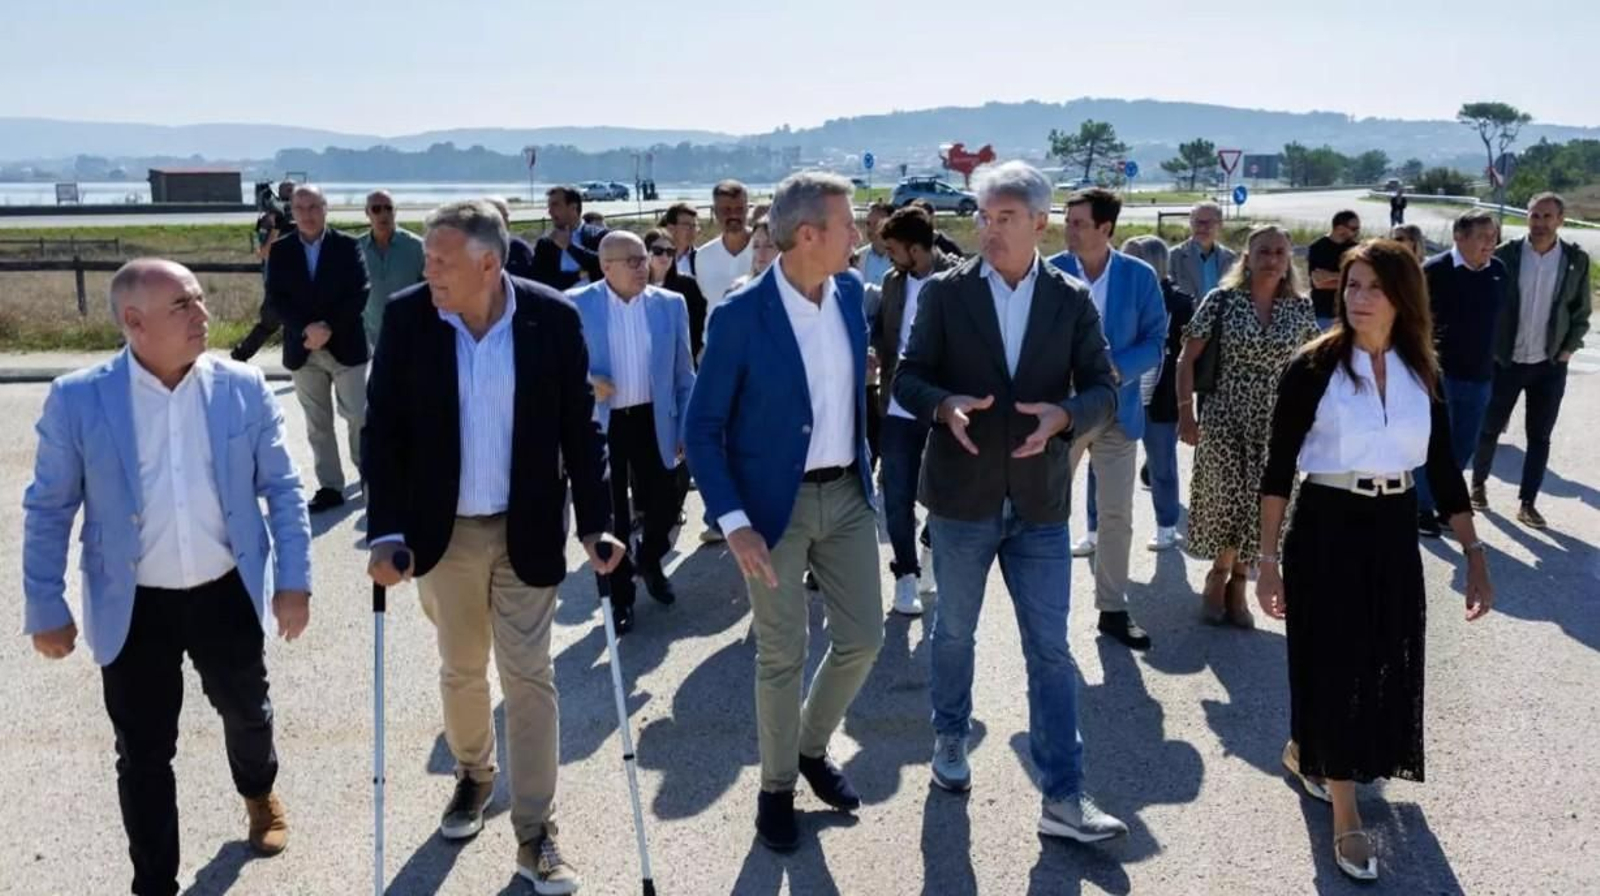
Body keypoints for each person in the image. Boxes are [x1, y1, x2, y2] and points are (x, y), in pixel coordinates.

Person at [23, 259, 311, 896]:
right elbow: (48, 507)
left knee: (248, 712)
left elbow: (283, 490)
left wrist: (294, 579)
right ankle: (154, 883)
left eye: (200, 300)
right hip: (135, 603)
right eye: (183, 306)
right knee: (143, 751)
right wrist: (44, 600)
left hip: (224, 590)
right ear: (134, 321)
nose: (202, 315)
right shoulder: (80, 399)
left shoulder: (241, 386)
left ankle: (259, 791)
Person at [364, 200, 623, 894]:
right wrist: (386, 530)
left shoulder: (551, 319)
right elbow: (382, 432)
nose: (428, 271)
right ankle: (476, 773)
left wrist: (597, 522)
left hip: (526, 529)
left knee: (529, 677)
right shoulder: (409, 318)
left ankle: (536, 833)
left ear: (488, 263)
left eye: (440, 261)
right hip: (440, 533)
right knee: (461, 668)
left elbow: (581, 430)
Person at [893, 161, 1128, 842]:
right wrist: (943, 407)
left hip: (1039, 504)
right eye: (982, 216)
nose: (987, 229)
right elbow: (907, 377)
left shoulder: (1071, 298)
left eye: (1004, 218)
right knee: (955, 634)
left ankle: (1064, 795)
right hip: (962, 501)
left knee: (1051, 651)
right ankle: (949, 739)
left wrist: (1066, 416)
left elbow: (1104, 388)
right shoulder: (943, 294)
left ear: (1039, 224)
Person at [1256, 239, 1493, 883]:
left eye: (1373, 288)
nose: (1357, 299)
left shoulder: (1424, 372)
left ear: (1402, 298)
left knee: (1382, 656)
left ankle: (1310, 747)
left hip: (1392, 528)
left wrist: (1474, 551)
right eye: (1351, 286)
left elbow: (1443, 472)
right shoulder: (1313, 368)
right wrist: (1267, 558)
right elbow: (1278, 468)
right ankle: (1346, 814)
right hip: (1327, 525)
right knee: (1334, 659)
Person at [684, 172, 882, 853]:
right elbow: (702, 427)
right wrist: (733, 522)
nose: (859, 234)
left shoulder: (852, 293)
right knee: (782, 654)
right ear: (808, 235)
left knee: (863, 639)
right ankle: (776, 788)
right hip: (774, 507)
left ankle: (808, 746)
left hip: (848, 495)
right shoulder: (740, 316)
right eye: (848, 224)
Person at [1174, 225, 1319, 627]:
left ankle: (1239, 583)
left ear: (1289, 259)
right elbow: (1187, 359)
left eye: (1279, 252)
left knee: (1263, 507)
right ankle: (1217, 578)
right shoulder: (1222, 300)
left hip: (1277, 422)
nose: (1271, 259)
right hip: (1224, 417)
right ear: (1247, 258)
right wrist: (1187, 413)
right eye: (1263, 251)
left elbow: (1316, 363)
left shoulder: (1300, 308)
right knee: (1225, 501)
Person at [1046, 187, 1168, 651]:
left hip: (1119, 411)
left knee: (1117, 515)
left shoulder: (1139, 276)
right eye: (1068, 221)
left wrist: (1115, 370)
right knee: (1050, 514)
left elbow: (1156, 338)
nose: (1068, 229)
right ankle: (1049, 609)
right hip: (1065, 413)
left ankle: (1112, 609)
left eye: (1078, 222)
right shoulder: (1049, 273)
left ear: (1105, 228)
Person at [568, 231, 696, 634]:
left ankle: (651, 557)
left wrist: (684, 426)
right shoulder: (575, 305)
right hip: (601, 423)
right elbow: (555, 371)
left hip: (653, 418)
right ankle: (620, 597)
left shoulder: (671, 305)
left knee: (665, 502)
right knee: (611, 516)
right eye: (634, 261)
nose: (646, 267)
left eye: (646, 259)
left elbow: (684, 373)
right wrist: (588, 382)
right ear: (606, 267)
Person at [1470, 192, 1592, 530]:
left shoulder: (1574, 260)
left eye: (1547, 217)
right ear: (1526, 218)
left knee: (1539, 436)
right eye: (1535, 216)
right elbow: (1485, 303)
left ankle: (1528, 503)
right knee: (1490, 427)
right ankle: (1478, 485)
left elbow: (1581, 312)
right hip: (1506, 361)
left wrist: (1567, 349)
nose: (1540, 223)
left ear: (1560, 220)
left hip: (1549, 364)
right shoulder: (1505, 254)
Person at [872, 206, 958, 616]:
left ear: (915, 248)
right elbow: (883, 332)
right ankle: (905, 574)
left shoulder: (961, 281)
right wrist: (873, 351)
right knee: (896, 495)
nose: (888, 256)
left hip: (943, 407)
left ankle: (929, 551)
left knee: (943, 496)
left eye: (893, 248)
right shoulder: (893, 282)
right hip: (897, 406)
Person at [265, 184, 370, 514]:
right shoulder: (280, 251)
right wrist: (306, 329)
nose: (307, 214)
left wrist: (328, 328)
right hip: (303, 348)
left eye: (313, 207)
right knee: (317, 422)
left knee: (358, 415)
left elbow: (360, 291)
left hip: (345, 345)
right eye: (300, 208)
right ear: (291, 212)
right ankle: (330, 486)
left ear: (326, 208)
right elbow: (276, 300)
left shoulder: (347, 246)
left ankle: (370, 477)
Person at [1413, 209, 1506, 537]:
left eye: (1493, 236)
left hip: (1480, 375)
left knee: (1463, 445)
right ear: (1459, 237)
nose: (1490, 243)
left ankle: (1444, 505)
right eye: (1482, 236)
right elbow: (1414, 321)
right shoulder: (1433, 272)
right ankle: (1420, 508)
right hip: (1440, 374)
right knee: (1433, 443)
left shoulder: (1498, 271)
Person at [1119, 235, 1194, 551]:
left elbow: (1186, 354)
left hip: (1159, 396)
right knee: (1103, 468)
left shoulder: (1179, 302)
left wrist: (1185, 401)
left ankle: (1166, 526)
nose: (1126, 264)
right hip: (1121, 394)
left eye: (1134, 258)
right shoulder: (1117, 297)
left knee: (1162, 466)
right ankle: (1095, 530)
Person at [358, 189, 426, 349]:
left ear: (396, 211)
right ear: (367, 213)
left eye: (388, 208)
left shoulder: (417, 247)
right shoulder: (356, 248)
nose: (383, 214)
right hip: (368, 339)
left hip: (411, 336)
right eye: (376, 209)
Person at [231, 189, 293, 362]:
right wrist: (277, 228)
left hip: (302, 281)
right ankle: (240, 355)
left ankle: (297, 362)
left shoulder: (302, 217)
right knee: (269, 323)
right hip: (277, 281)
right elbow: (264, 253)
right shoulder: (267, 220)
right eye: (286, 192)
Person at [643, 227, 710, 361]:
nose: (665, 256)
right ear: (645, 252)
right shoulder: (635, 287)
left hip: (681, 360)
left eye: (670, 252)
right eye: (658, 251)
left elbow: (698, 325)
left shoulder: (688, 286)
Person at [529, 186, 607, 290]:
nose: (550, 212)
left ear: (573, 208)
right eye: (549, 206)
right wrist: (577, 276)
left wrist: (570, 247)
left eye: (555, 205)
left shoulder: (598, 236)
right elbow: (540, 283)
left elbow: (604, 267)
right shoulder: (545, 244)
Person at [694, 179, 755, 310]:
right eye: (726, 210)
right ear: (715, 211)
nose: (733, 215)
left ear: (747, 209)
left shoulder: (768, 250)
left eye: (739, 209)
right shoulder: (703, 256)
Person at [1169, 200, 1236, 301]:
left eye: (1208, 222)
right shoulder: (1173, 257)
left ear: (1220, 224)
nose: (1202, 227)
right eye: (1197, 222)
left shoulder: (1231, 259)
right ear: (1190, 223)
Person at [1307, 210, 1362, 330]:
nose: (1357, 232)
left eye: (1358, 229)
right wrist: (1347, 279)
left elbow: (1361, 280)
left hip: (1349, 312)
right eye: (1354, 228)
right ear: (1340, 228)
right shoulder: (1318, 247)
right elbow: (1318, 283)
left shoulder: (1356, 249)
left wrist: (1330, 276)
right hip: (1323, 312)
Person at [486, 195, 539, 281]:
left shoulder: (519, 249)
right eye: (499, 217)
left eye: (506, 216)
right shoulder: (471, 250)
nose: (505, 221)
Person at [725, 218, 779, 296]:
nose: (761, 253)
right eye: (756, 246)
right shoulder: (738, 292)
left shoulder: (796, 291)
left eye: (769, 246)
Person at [855, 200, 895, 286]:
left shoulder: (901, 258)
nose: (870, 229)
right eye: (868, 223)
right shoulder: (858, 257)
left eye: (877, 224)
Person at [659, 201, 700, 277]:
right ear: (671, 228)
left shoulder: (701, 258)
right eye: (687, 225)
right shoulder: (657, 258)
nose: (692, 230)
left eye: (694, 225)